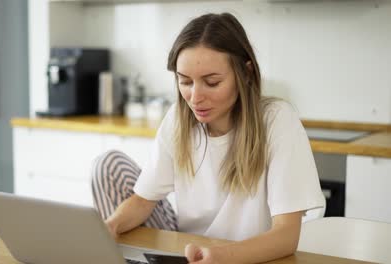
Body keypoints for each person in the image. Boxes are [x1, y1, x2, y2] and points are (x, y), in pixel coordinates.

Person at [91, 12, 325, 264]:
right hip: (188, 245)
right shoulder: (178, 119)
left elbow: (286, 237)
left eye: (211, 82)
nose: (195, 97)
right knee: (108, 164)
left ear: (245, 73)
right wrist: (109, 226)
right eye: (185, 82)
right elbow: (143, 201)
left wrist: (220, 257)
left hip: (248, 255)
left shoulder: (277, 120)